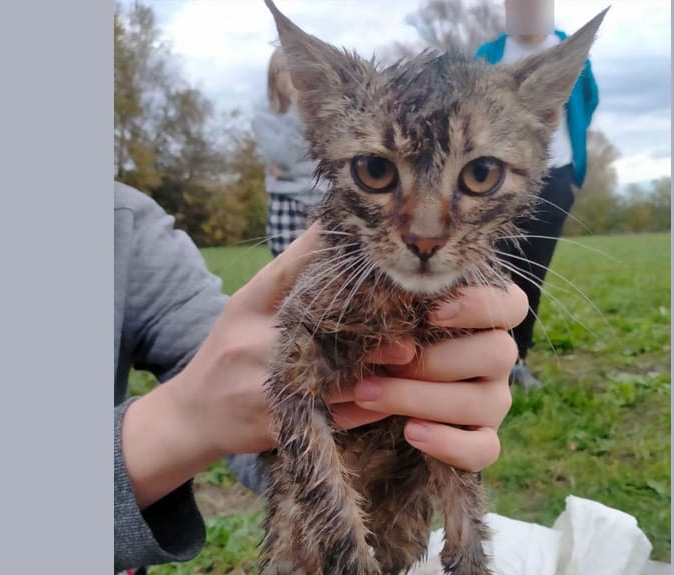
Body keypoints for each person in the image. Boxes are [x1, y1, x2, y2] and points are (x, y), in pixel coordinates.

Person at [113, 181, 527, 573]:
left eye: (480, 174)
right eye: (376, 171)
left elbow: (227, 362)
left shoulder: (127, 225)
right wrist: (186, 418)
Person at [475, 0, 600, 390]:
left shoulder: (569, 50)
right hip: (493, 185)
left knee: (532, 274)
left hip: (555, 177)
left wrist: (569, 146)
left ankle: (518, 360)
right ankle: (478, 362)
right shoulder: (489, 56)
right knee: (488, 272)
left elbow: (588, 101)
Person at [252, 46, 326, 258]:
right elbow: (283, 158)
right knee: (285, 275)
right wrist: (299, 108)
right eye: (283, 69)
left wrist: (289, 171)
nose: (291, 76)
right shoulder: (263, 121)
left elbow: (327, 160)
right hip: (285, 202)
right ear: (273, 78)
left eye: (296, 69)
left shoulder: (322, 118)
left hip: (323, 200)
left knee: (327, 272)